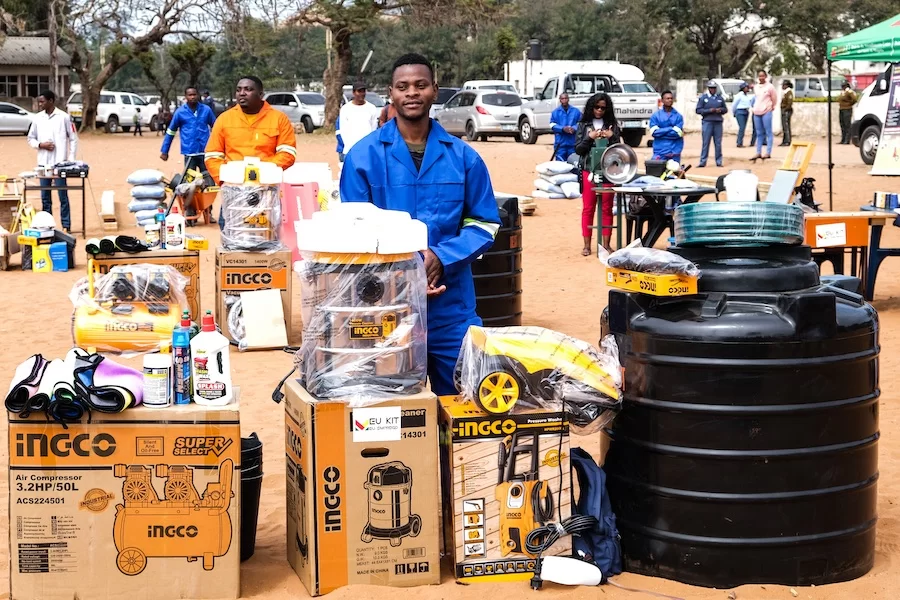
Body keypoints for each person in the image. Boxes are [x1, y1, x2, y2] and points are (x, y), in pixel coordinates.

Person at [339, 53, 501, 396]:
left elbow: (484, 224)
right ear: (391, 94)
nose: (412, 92)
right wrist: (408, 272)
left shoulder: (463, 157)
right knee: (392, 413)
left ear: (435, 91)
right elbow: (353, 233)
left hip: (450, 309)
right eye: (403, 86)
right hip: (384, 308)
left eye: (420, 85)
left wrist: (441, 258)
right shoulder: (363, 157)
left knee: (462, 406)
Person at [204, 75, 298, 227]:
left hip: (266, 192)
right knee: (231, 244)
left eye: (248, 89)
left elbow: (287, 154)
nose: (242, 93)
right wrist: (226, 180)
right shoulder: (224, 119)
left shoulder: (279, 119)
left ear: (261, 94)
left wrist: (261, 173)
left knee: (266, 241)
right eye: (239, 90)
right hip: (234, 193)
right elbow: (212, 156)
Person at [26, 89, 78, 232]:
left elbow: (73, 139)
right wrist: (41, 145)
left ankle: (66, 226)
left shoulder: (64, 117)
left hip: (60, 164)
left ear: (51, 101)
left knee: (63, 196)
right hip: (43, 164)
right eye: (39, 101)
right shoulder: (37, 118)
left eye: (42, 101)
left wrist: (71, 159)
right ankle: (47, 226)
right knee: (45, 197)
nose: (40, 104)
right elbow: (30, 138)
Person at [575, 92, 620, 256]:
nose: (600, 110)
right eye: (597, 107)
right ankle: (587, 246)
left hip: (608, 171)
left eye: (603, 108)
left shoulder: (612, 124)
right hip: (589, 170)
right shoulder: (583, 124)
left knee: (607, 208)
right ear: (591, 107)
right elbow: (578, 149)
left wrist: (612, 136)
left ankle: (606, 245)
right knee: (588, 208)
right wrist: (589, 137)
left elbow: (619, 149)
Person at [161, 87, 217, 173]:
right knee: (189, 182)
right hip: (189, 152)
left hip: (204, 152)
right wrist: (165, 151)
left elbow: (217, 128)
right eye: (190, 95)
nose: (192, 97)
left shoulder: (206, 110)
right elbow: (171, 132)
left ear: (198, 95)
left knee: (208, 180)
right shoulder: (180, 112)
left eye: (194, 94)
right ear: (185, 97)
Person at [337, 81, 379, 160]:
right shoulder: (346, 109)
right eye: (359, 91)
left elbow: (373, 129)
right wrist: (350, 147)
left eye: (363, 91)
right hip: (351, 149)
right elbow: (343, 131)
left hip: (367, 150)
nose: (362, 94)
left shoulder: (372, 108)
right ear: (353, 92)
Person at [695, 80, 727, 168]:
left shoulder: (720, 98)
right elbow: (698, 110)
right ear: (708, 89)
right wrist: (709, 111)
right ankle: (703, 161)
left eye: (714, 88)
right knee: (706, 142)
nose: (713, 90)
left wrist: (720, 110)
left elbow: (725, 109)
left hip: (718, 122)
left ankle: (719, 161)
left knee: (718, 143)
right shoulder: (703, 98)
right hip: (707, 122)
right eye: (711, 88)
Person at [649, 90, 684, 163]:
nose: (670, 100)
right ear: (662, 100)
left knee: (676, 172)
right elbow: (654, 133)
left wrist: (661, 132)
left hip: (674, 151)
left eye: (671, 98)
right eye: (667, 98)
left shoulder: (678, 116)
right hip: (660, 151)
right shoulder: (656, 116)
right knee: (657, 172)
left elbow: (678, 134)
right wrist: (670, 128)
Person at [752, 70, 778, 160]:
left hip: (766, 111)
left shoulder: (770, 87)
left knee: (768, 132)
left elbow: (774, 98)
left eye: (763, 76)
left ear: (766, 76)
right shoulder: (756, 87)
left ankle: (768, 152)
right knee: (759, 133)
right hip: (757, 111)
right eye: (759, 76)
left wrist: (772, 106)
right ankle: (758, 152)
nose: (761, 78)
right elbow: (755, 98)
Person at [550, 92, 581, 161]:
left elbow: (581, 123)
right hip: (560, 144)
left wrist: (574, 128)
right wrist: (562, 129)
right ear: (560, 100)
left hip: (572, 143)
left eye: (566, 98)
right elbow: (552, 124)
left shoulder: (576, 111)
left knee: (573, 164)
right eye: (562, 98)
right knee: (560, 165)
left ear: (568, 99)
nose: (564, 100)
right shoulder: (555, 112)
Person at [732, 82, 753, 148]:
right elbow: (734, 105)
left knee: (743, 128)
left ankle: (740, 141)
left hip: (746, 111)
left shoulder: (747, 96)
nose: (748, 89)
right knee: (742, 127)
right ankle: (739, 142)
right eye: (746, 87)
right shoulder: (739, 95)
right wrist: (734, 112)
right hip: (740, 111)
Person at [780, 80, 794, 147]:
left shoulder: (789, 92)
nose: (782, 86)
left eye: (783, 85)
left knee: (786, 126)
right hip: (784, 110)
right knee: (784, 126)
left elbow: (789, 102)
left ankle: (787, 141)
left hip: (786, 110)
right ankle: (784, 140)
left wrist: (785, 110)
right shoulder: (785, 92)